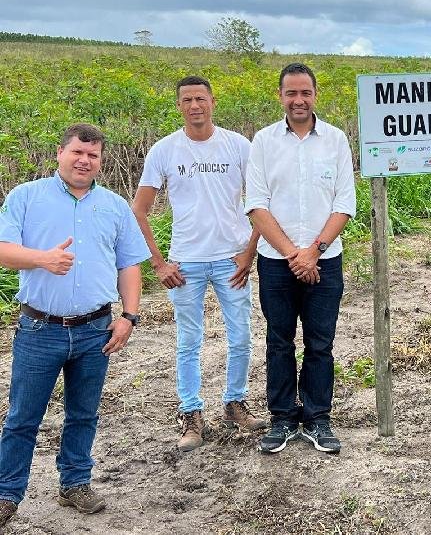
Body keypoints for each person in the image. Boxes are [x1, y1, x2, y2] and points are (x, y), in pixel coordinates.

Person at [0, 124, 150, 528]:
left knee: (83, 413)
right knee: (22, 418)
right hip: (39, 330)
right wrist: (42, 259)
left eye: (93, 155)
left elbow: (129, 263)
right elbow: (2, 250)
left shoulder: (115, 206)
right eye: (77, 153)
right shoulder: (26, 197)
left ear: (100, 161)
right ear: (60, 153)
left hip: (95, 329)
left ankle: (75, 483)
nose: (85, 161)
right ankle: (7, 492)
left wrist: (129, 316)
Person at [132, 75, 264, 453]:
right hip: (186, 261)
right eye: (187, 100)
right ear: (179, 106)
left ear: (212, 101)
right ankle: (191, 413)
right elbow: (139, 210)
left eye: (200, 99)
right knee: (188, 340)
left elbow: (260, 200)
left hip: (231, 260)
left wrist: (249, 250)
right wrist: (158, 263)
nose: (195, 106)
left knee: (240, 335)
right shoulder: (164, 151)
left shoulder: (239, 146)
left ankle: (235, 403)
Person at [245, 63, 356, 455]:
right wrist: (294, 254)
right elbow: (256, 205)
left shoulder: (337, 140)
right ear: (280, 96)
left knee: (321, 342)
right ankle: (281, 418)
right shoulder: (262, 142)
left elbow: (345, 202)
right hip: (277, 263)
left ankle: (318, 417)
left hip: (325, 259)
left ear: (315, 95)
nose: (298, 100)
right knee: (279, 341)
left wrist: (315, 251)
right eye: (291, 93)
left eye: (305, 93)